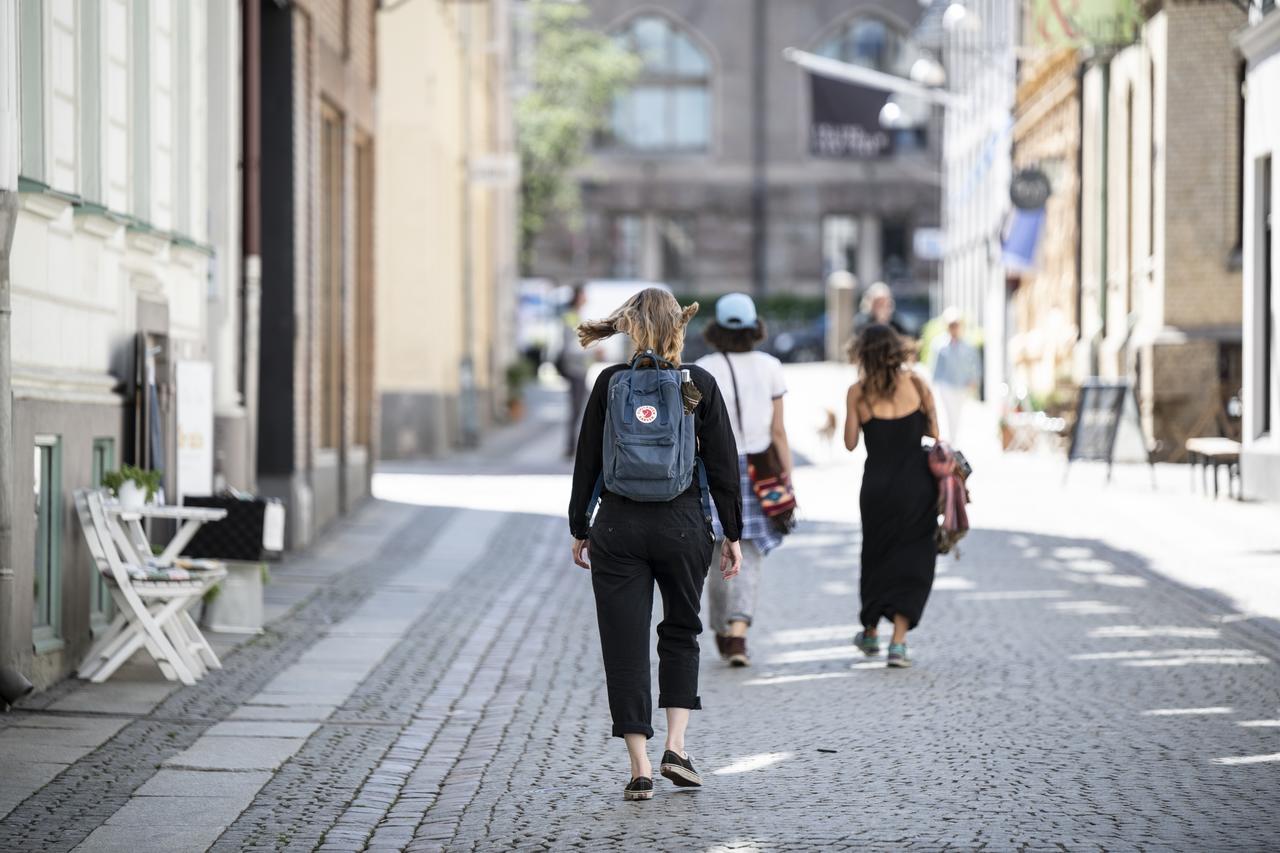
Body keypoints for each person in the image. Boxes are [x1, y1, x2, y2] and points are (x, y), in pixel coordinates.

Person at [568, 288, 744, 801]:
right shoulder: (700, 384)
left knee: (623, 645)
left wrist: (581, 526)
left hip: (618, 527)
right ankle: (677, 746)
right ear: (677, 329)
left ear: (631, 329)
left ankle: (639, 767)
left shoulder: (609, 383)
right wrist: (731, 534)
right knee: (681, 631)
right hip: (684, 524)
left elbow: (587, 462)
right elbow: (724, 466)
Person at [695, 293, 793, 667]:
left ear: (717, 328)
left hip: (711, 466)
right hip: (758, 467)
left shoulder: (703, 367)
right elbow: (779, 431)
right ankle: (737, 632)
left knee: (717, 546)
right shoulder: (770, 367)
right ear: (755, 327)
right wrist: (787, 478)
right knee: (748, 551)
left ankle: (722, 627)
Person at [844, 325, 940, 669]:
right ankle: (898, 643)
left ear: (862, 353)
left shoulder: (857, 391)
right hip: (917, 486)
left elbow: (851, 442)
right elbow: (934, 432)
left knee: (876, 554)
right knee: (914, 556)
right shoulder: (916, 383)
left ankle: (870, 631)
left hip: (877, 487)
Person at [931, 308, 980, 443]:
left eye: (956, 325)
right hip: (946, 385)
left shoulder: (967, 345)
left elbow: (974, 364)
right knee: (948, 413)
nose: (954, 328)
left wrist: (974, 379)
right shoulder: (939, 344)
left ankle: (953, 439)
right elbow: (935, 367)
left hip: (961, 385)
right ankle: (950, 440)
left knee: (957, 414)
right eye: (951, 325)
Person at [558, 284, 591, 458]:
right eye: (585, 295)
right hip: (575, 369)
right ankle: (571, 448)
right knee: (577, 409)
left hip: (579, 368)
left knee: (579, 408)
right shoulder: (571, 317)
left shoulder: (576, 315)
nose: (587, 299)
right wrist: (593, 349)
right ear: (578, 297)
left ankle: (574, 446)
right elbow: (572, 346)